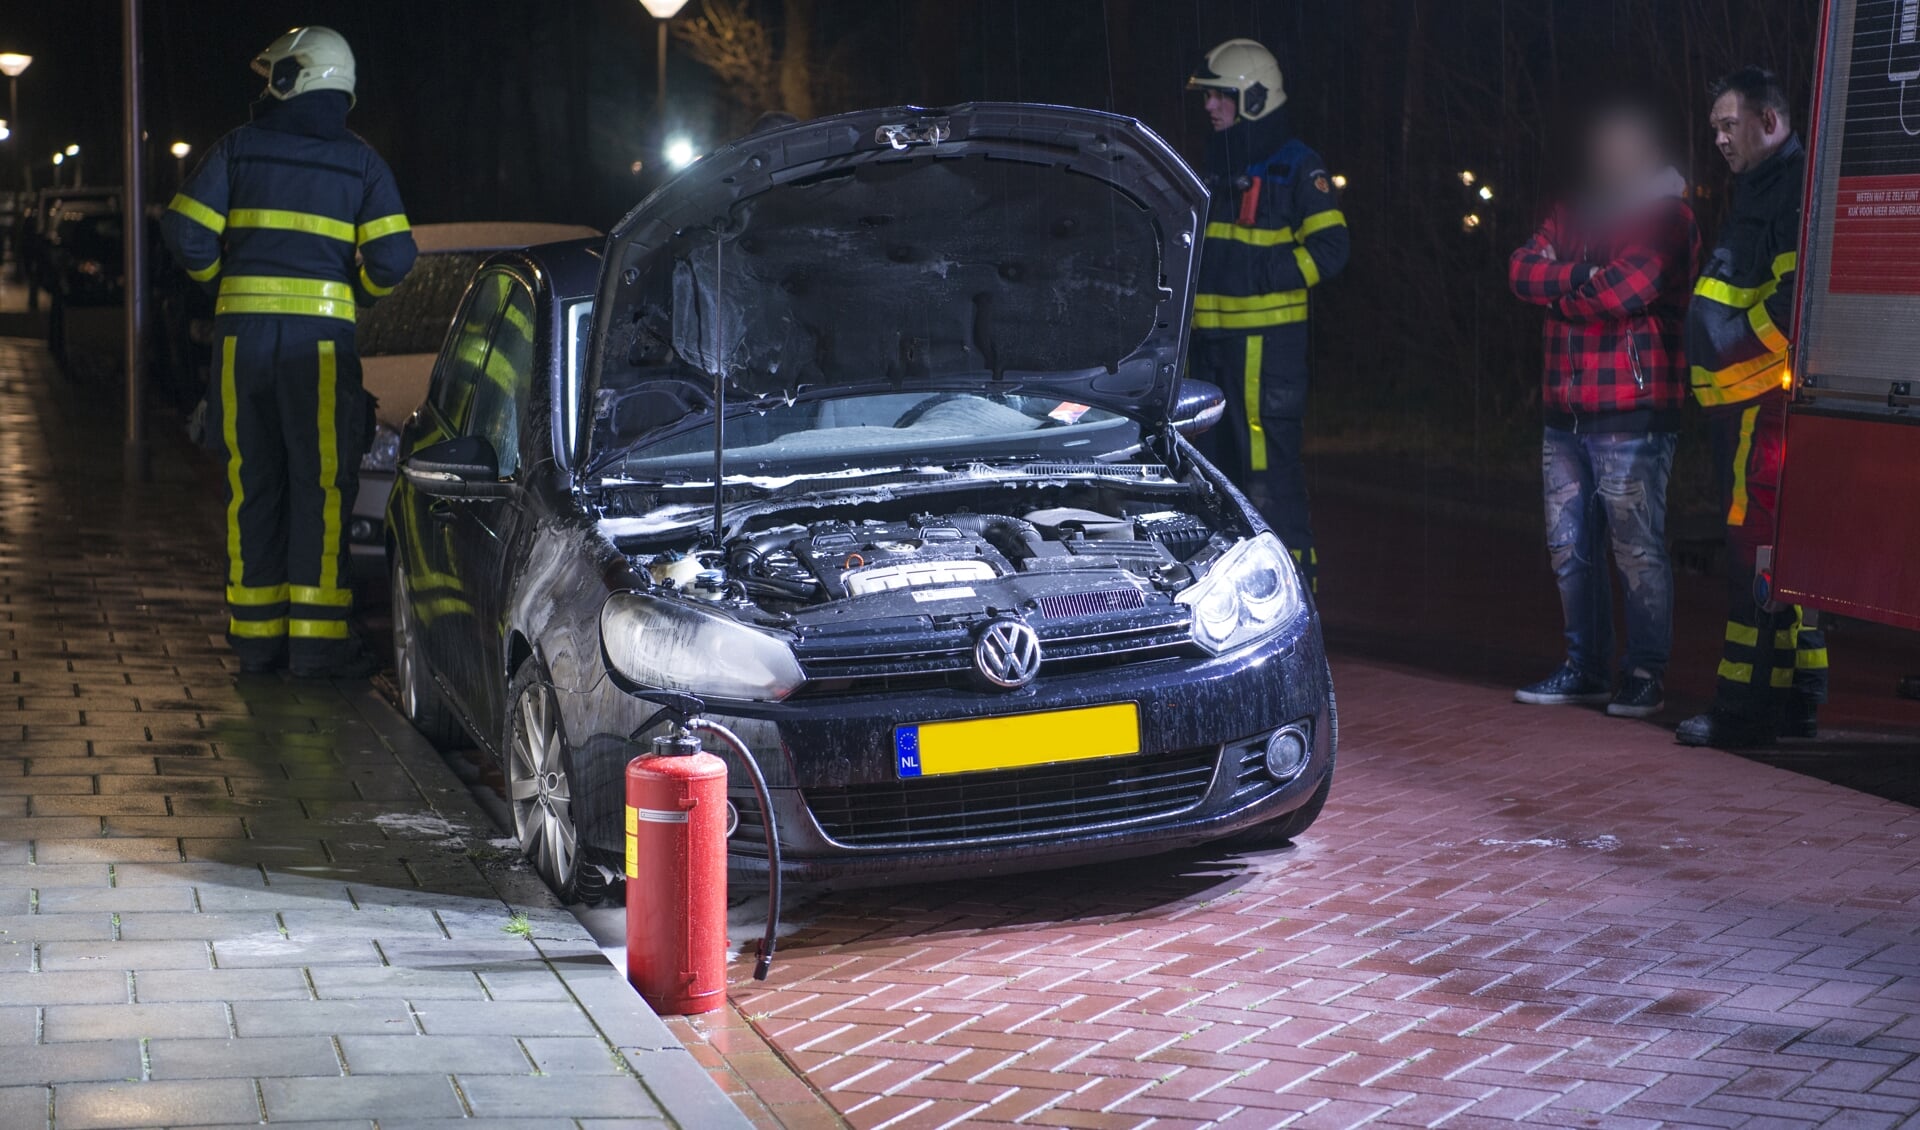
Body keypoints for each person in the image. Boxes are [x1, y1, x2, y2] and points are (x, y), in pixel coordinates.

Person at [161, 26, 417, 678]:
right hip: (321, 354)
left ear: (290, 77)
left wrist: (222, 283)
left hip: (242, 348)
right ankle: (318, 649)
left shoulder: (238, 150)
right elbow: (394, 257)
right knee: (323, 490)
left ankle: (255, 644)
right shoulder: (361, 163)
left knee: (253, 486)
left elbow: (186, 229)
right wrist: (351, 294)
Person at [1508, 104, 1700, 718]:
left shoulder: (1669, 216)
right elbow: (1519, 271)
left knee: (1635, 549)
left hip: (1633, 411)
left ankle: (1644, 672)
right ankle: (1585, 668)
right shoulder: (1572, 210)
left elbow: (1630, 288)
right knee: (1571, 549)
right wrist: (1583, 278)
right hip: (1564, 415)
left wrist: (1561, 289)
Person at [1676, 67, 1828, 747]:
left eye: (1728, 124)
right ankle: (1798, 696)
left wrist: (1731, 354)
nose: (1717, 138)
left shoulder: (1794, 188)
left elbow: (1796, 304)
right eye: (1714, 127)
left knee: (1753, 552)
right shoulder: (1761, 187)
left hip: (1761, 403)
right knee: (1779, 550)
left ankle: (1744, 710)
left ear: (1770, 121)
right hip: (1744, 402)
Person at [1186, 39, 1349, 593]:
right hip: (1210, 350)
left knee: (1267, 479)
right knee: (1213, 476)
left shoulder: (1297, 167)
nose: (1210, 107)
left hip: (1265, 351)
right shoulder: (1213, 164)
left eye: (1220, 96)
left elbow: (1330, 250)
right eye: (1208, 97)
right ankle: (1227, 595)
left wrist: (1258, 276)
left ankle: (1295, 593)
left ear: (1254, 98)